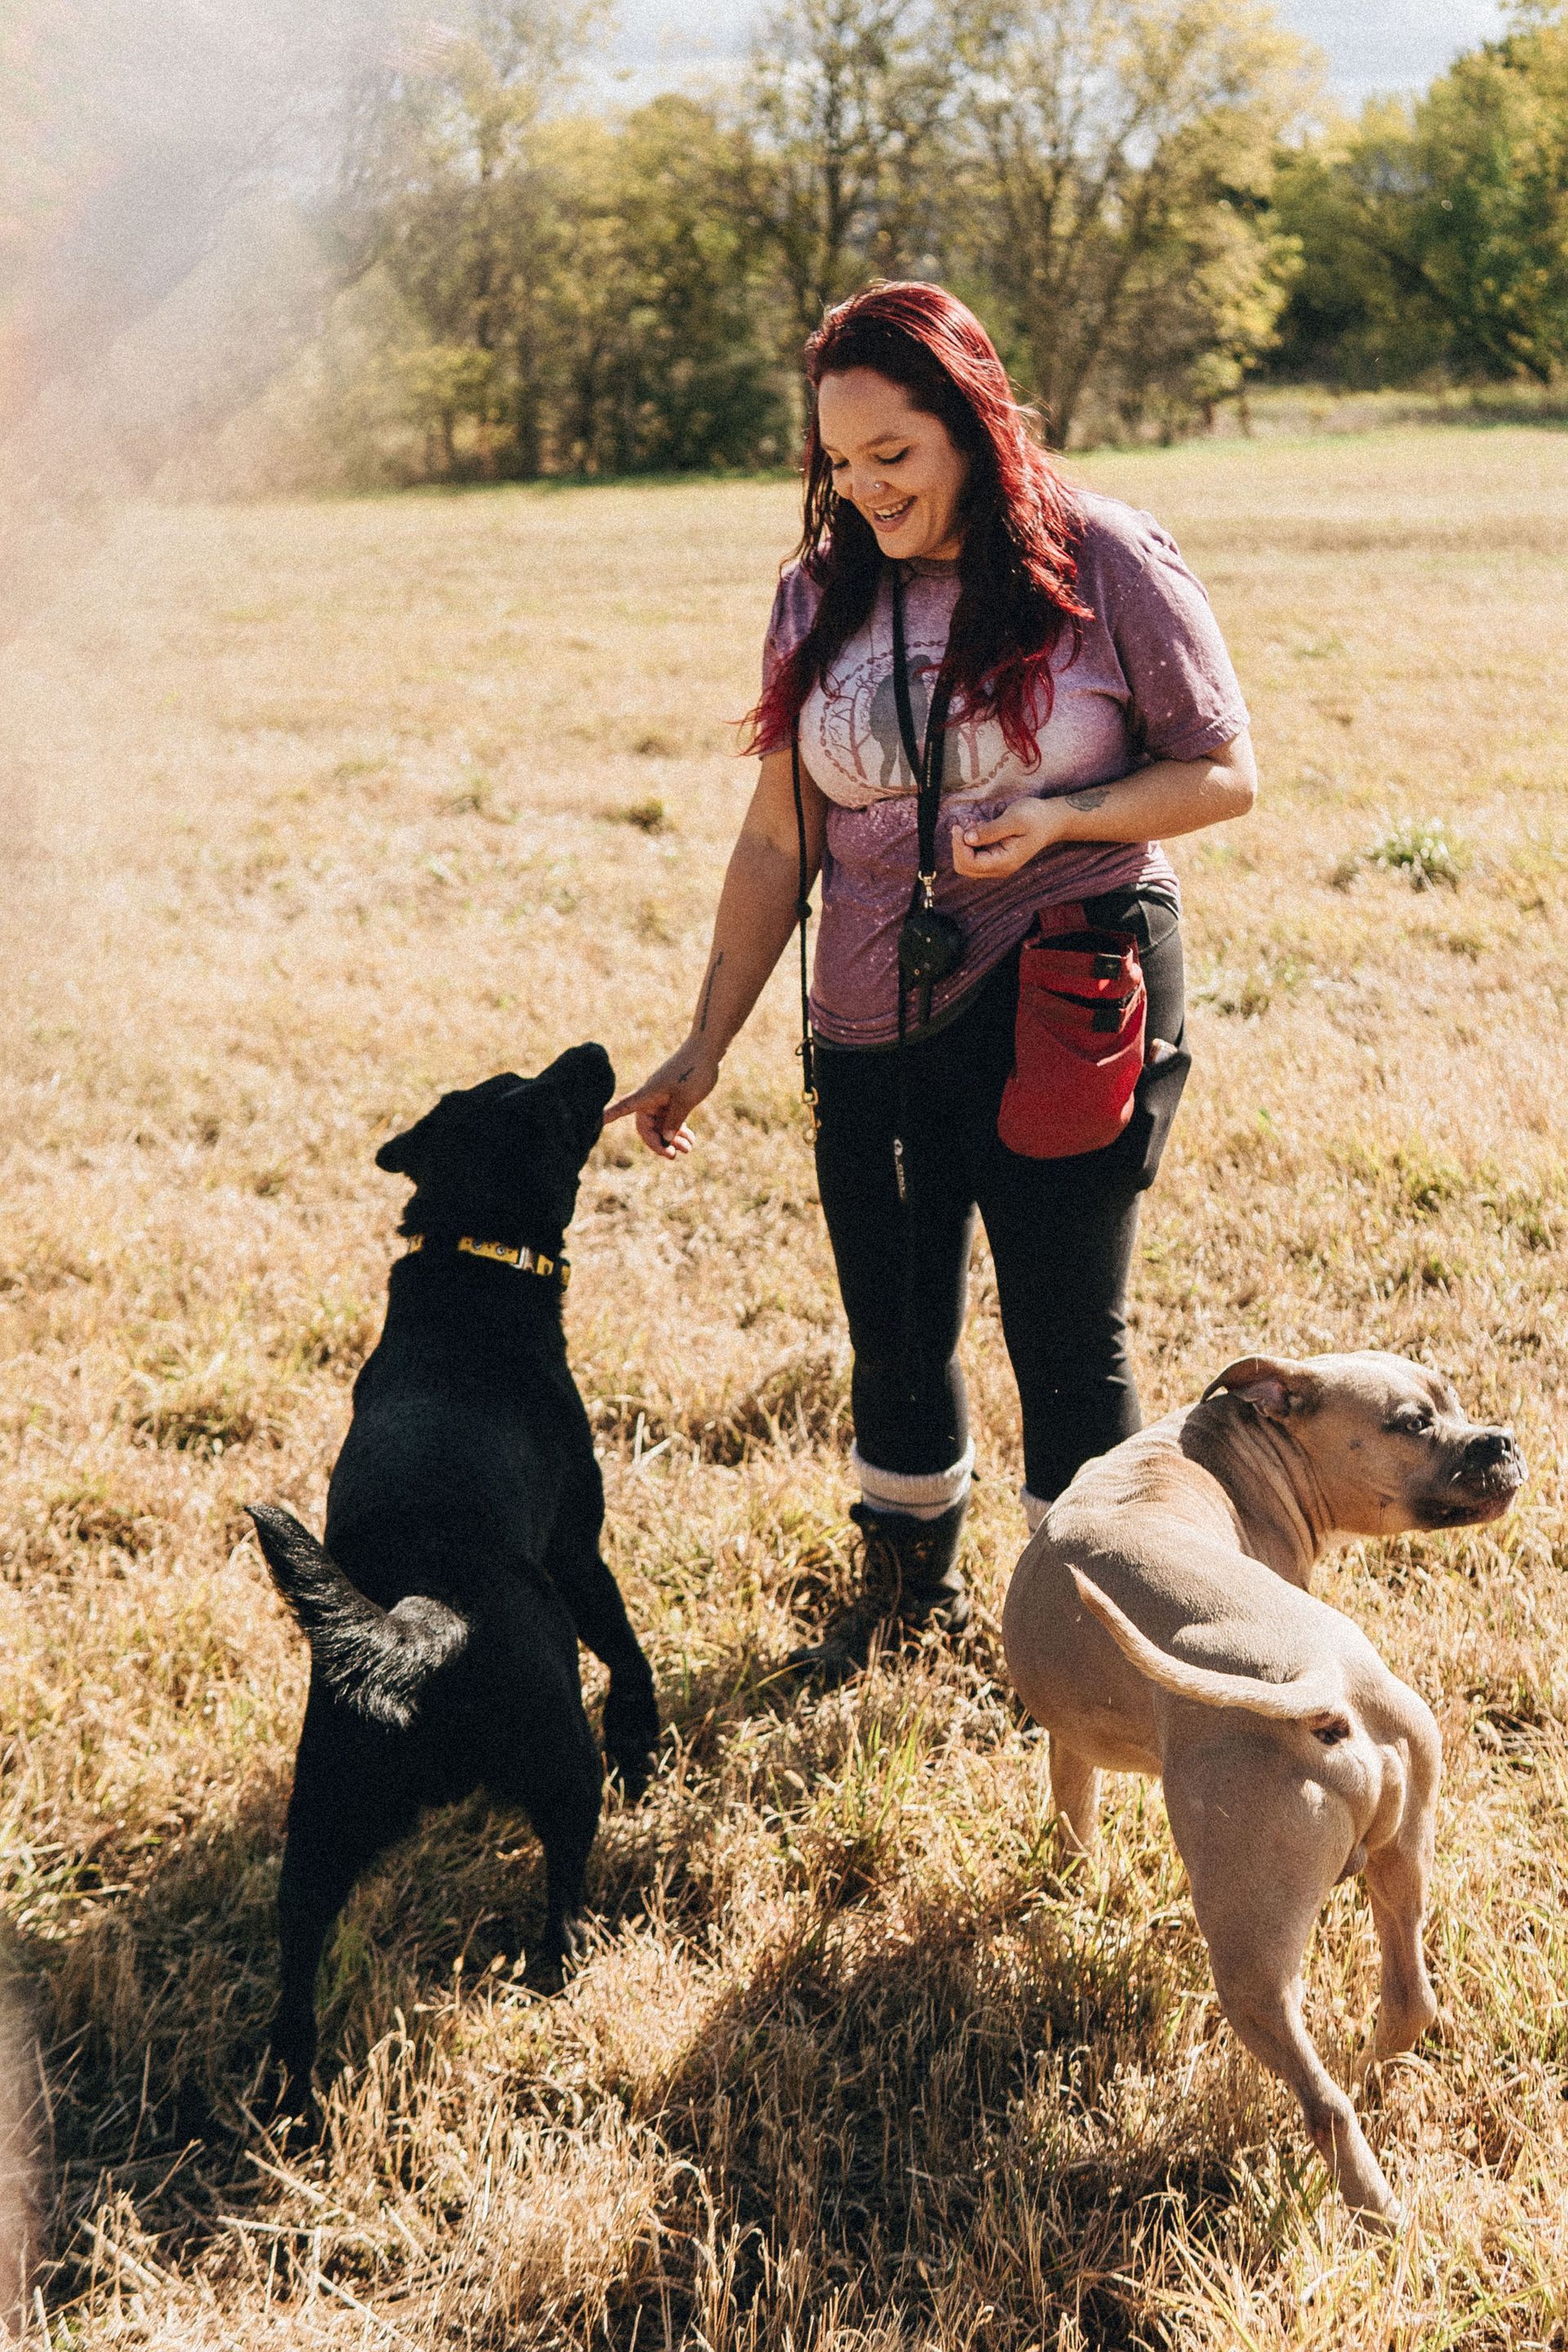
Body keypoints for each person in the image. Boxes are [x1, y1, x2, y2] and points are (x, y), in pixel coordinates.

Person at [607, 282, 1255, 1682]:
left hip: (1068, 991)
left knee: (1064, 1338)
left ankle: (1093, 1650)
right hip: (867, 1018)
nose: (864, 491)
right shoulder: (816, 594)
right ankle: (908, 1604)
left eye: (891, 456)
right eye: (838, 464)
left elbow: (1223, 772)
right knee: (895, 1331)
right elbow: (782, 834)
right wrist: (703, 1043)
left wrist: (1065, 818)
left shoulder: (1107, 558)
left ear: (971, 423)